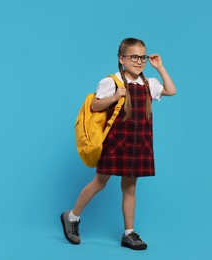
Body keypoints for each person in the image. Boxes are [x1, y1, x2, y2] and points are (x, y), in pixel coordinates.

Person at [61, 38, 176, 250]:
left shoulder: (148, 83)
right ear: (121, 59)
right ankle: (72, 217)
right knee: (99, 182)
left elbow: (171, 90)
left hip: (139, 143)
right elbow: (95, 105)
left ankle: (129, 233)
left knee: (130, 188)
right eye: (134, 57)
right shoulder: (112, 81)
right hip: (115, 142)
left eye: (142, 57)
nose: (139, 61)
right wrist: (115, 97)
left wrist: (160, 67)